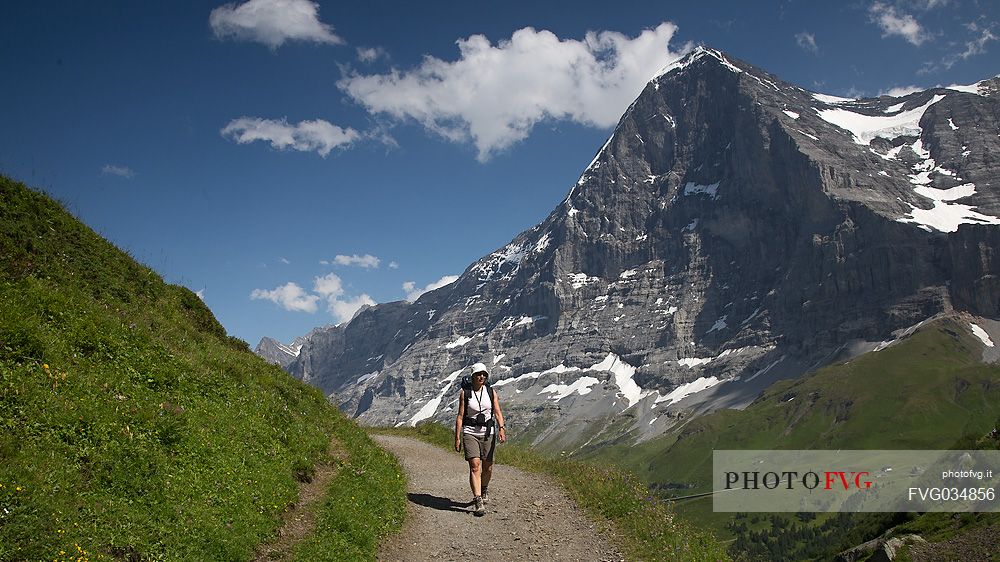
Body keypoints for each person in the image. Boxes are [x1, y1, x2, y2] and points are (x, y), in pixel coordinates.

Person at [454, 362, 506, 516]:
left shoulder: (491, 392)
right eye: (478, 374)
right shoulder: (466, 393)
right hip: (470, 432)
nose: (481, 376)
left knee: (488, 467)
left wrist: (501, 428)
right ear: (473, 376)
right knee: (475, 466)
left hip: (488, 433)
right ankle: (478, 500)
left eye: (484, 374)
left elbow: (497, 411)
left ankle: (483, 489)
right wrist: (457, 437)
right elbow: (460, 416)